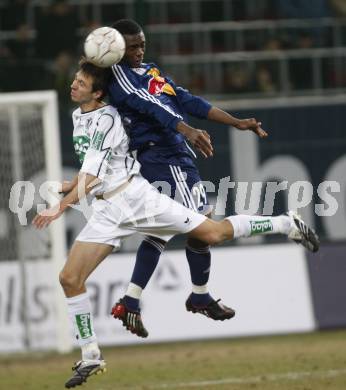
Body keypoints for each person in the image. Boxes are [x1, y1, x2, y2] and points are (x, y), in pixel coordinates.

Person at [32, 60, 319, 388]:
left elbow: (95, 174)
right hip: (107, 209)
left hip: (136, 198)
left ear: (98, 92)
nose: (73, 85)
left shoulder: (108, 118)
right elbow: (94, 174)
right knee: (70, 278)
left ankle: (286, 223)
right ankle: (91, 354)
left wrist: (60, 207)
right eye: (75, 80)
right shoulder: (76, 116)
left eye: (81, 82)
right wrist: (69, 186)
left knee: (211, 232)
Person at [107, 19, 268, 337]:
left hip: (171, 153)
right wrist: (188, 130)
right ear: (116, 49)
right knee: (206, 226)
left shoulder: (150, 70)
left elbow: (185, 99)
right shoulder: (118, 77)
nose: (139, 51)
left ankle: (133, 300)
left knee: (161, 230)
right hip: (163, 156)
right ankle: (199, 295)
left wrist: (234, 121)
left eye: (142, 44)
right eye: (132, 46)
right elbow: (153, 107)